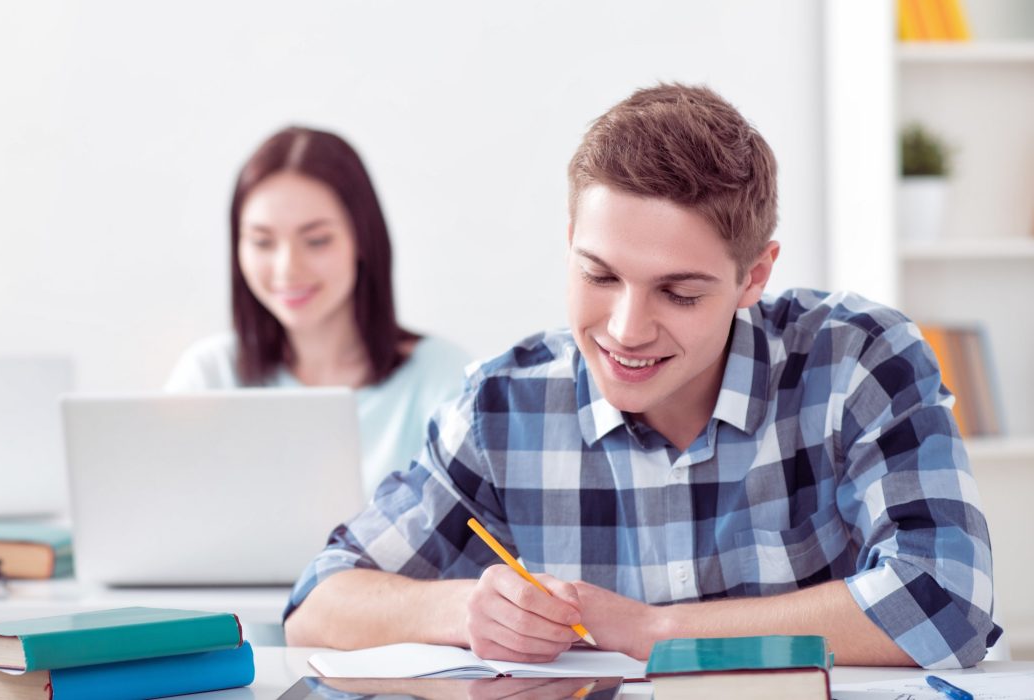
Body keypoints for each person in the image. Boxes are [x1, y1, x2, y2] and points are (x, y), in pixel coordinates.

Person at [283, 85, 999, 670]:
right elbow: (318, 604)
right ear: (570, 243)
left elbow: (945, 599)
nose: (626, 329)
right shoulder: (502, 407)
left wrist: (654, 630)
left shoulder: (857, 361)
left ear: (755, 275)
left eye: (680, 293)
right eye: (599, 275)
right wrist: (458, 609)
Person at [166, 126, 470, 497]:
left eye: (316, 240)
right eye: (262, 242)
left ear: (362, 239)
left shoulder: (445, 381)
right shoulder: (209, 375)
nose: (287, 269)